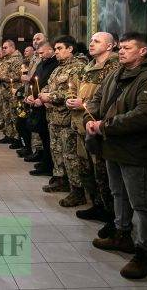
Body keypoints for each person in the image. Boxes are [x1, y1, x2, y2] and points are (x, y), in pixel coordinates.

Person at [85, 32, 147, 279]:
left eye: (127, 48)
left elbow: (145, 115)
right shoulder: (116, 73)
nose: (121, 51)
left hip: (136, 149)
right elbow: (98, 98)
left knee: (141, 203)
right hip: (112, 146)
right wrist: (91, 118)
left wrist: (105, 125)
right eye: (120, 47)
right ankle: (122, 233)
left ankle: (145, 252)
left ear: (143, 51)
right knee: (118, 193)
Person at [67, 32, 119, 233]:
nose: (91, 43)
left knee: (102, 172)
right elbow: (82, 89)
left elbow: (109, 98)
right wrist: (73, 100)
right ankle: (97, 204)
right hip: (82, 122)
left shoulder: (114, 66)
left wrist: (85, 103)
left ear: (110, 46)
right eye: (91, 40)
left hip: (99, 124)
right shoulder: (89, 65)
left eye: (97, 41)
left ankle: (112, 214)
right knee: (86, 167)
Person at [38, 35, 88, 205]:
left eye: (59, 49)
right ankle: (61, 180)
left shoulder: (77, 68)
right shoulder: (59, 68)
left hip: (67, 119)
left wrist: (49, 97)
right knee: (56, 151)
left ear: (70, 49)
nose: (56, 52)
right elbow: (48, 85)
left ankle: (77, 190)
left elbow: (73, 93)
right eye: (56, 49)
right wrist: (41, 95)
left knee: (70, 156)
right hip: (54, 117)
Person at [25, 41, 58, 175]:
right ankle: (45, 161)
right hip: (38, 102)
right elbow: (34, 80)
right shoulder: (42, 63)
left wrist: (41, 98)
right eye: (38, 54)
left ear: (50, 50)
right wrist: (30, 96)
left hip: (48, 104)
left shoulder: (54, 64)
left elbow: (49, 84)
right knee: (42, 135)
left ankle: (48, 165)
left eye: (42, 52)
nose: (40, 56)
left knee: (48, 137)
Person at [0, 40, 23, 148]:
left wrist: (1, 77)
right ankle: (8, 134)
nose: (3, 49)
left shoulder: (17, 59)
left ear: (12, 47)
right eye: (3, 48)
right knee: (6, 114)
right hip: (4, 90)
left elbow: (17, 75)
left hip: (13, 91)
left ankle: (17, 138)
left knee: (14, 115)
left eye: (5, 47)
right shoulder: (5, 58)